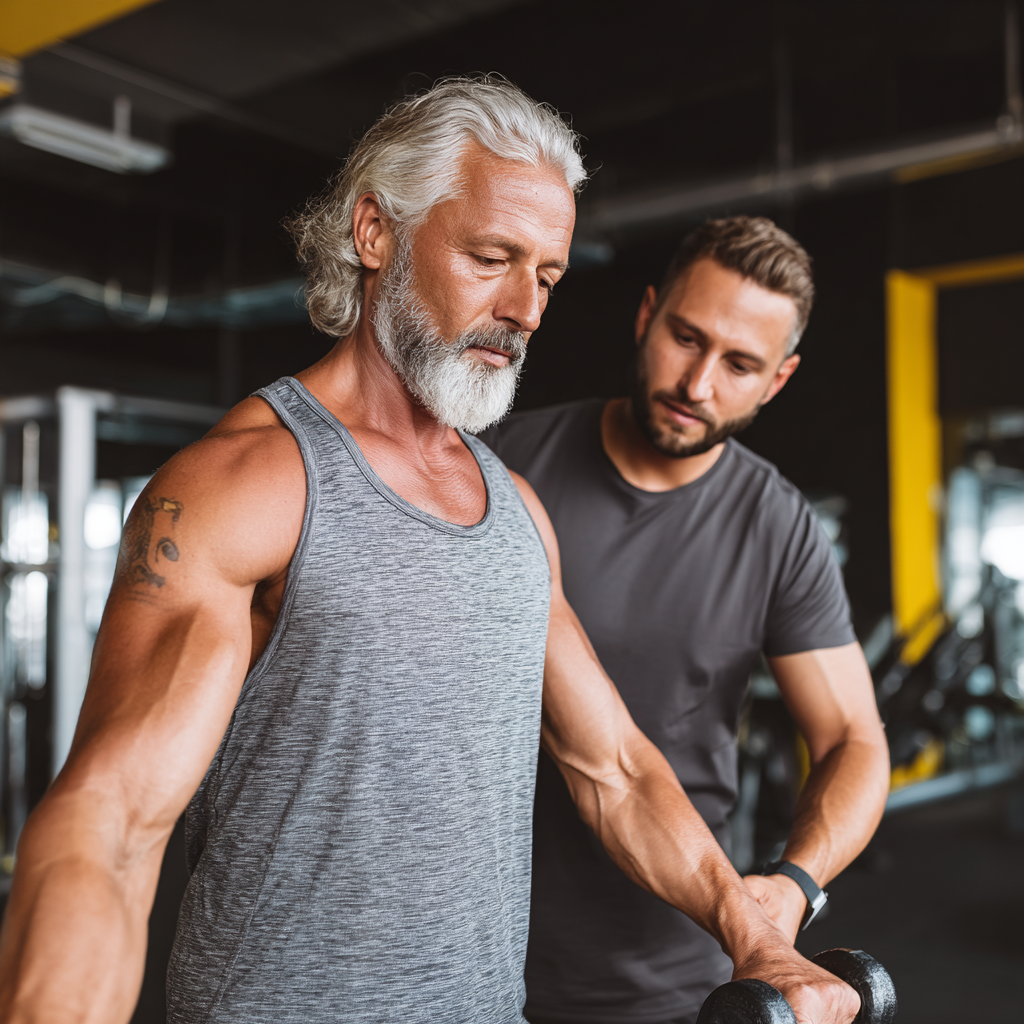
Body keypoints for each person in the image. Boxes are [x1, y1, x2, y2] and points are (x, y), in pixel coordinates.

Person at [0, 84, 859, 1024]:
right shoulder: (247, 486)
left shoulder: (514, 510)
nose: (525, 309)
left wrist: (758, 936)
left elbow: (614, 768)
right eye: (492, 258)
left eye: (548, 276)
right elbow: (111, 825)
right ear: (376, 231)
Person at [481, 216, 891, 1024]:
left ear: (778, 380)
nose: (698, 384)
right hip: (474, 950)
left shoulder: (776, 524)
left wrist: (795, 883)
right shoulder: (496, 463)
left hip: (678, 964)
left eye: (740, 365)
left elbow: (853, 738)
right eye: (686, 338)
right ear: (646, 316)